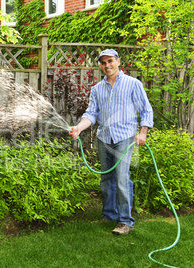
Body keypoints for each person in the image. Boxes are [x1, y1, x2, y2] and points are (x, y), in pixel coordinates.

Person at [69, 49, 154, 235]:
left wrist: (143, 132)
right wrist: (79, 128)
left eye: (110, 61)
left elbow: (146, 110)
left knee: (122, 178)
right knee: (106, 179)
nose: (107, 65)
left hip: (124, 138)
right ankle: (108, 215)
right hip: (103, 138)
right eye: (103, 62)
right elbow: (91, 114)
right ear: (100, 65)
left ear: (118, 61)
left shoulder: (133, 84)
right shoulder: (97, 89)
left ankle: (125, 221)